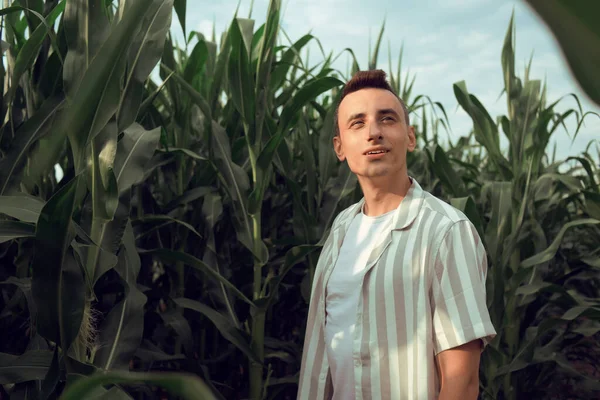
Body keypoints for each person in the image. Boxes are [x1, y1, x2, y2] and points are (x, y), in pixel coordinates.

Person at [297, 70, 496, 400]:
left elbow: (461, 382)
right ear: (340, 147)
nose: (374, 132)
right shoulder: (341, 232)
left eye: (387, 119)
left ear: (410, 137)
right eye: (357, 123)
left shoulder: (446, 231)